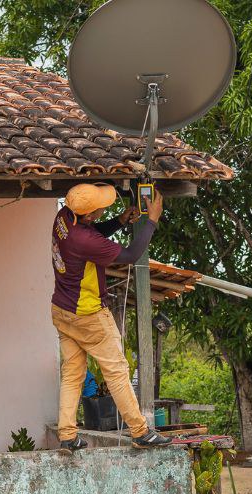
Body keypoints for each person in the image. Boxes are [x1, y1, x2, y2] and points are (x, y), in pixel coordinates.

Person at [51, 182, 172, 450]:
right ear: (90, 214)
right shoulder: (83, 240)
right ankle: (140, 431)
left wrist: (118, 221)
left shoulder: (63, 217)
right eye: (100, 209)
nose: (104, 209)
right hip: (88, 314)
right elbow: (130, 254)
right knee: (117, 371)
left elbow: (93, 233)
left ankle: (67, 435)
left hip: (61, 309)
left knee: (72, 374)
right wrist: (151, 221)